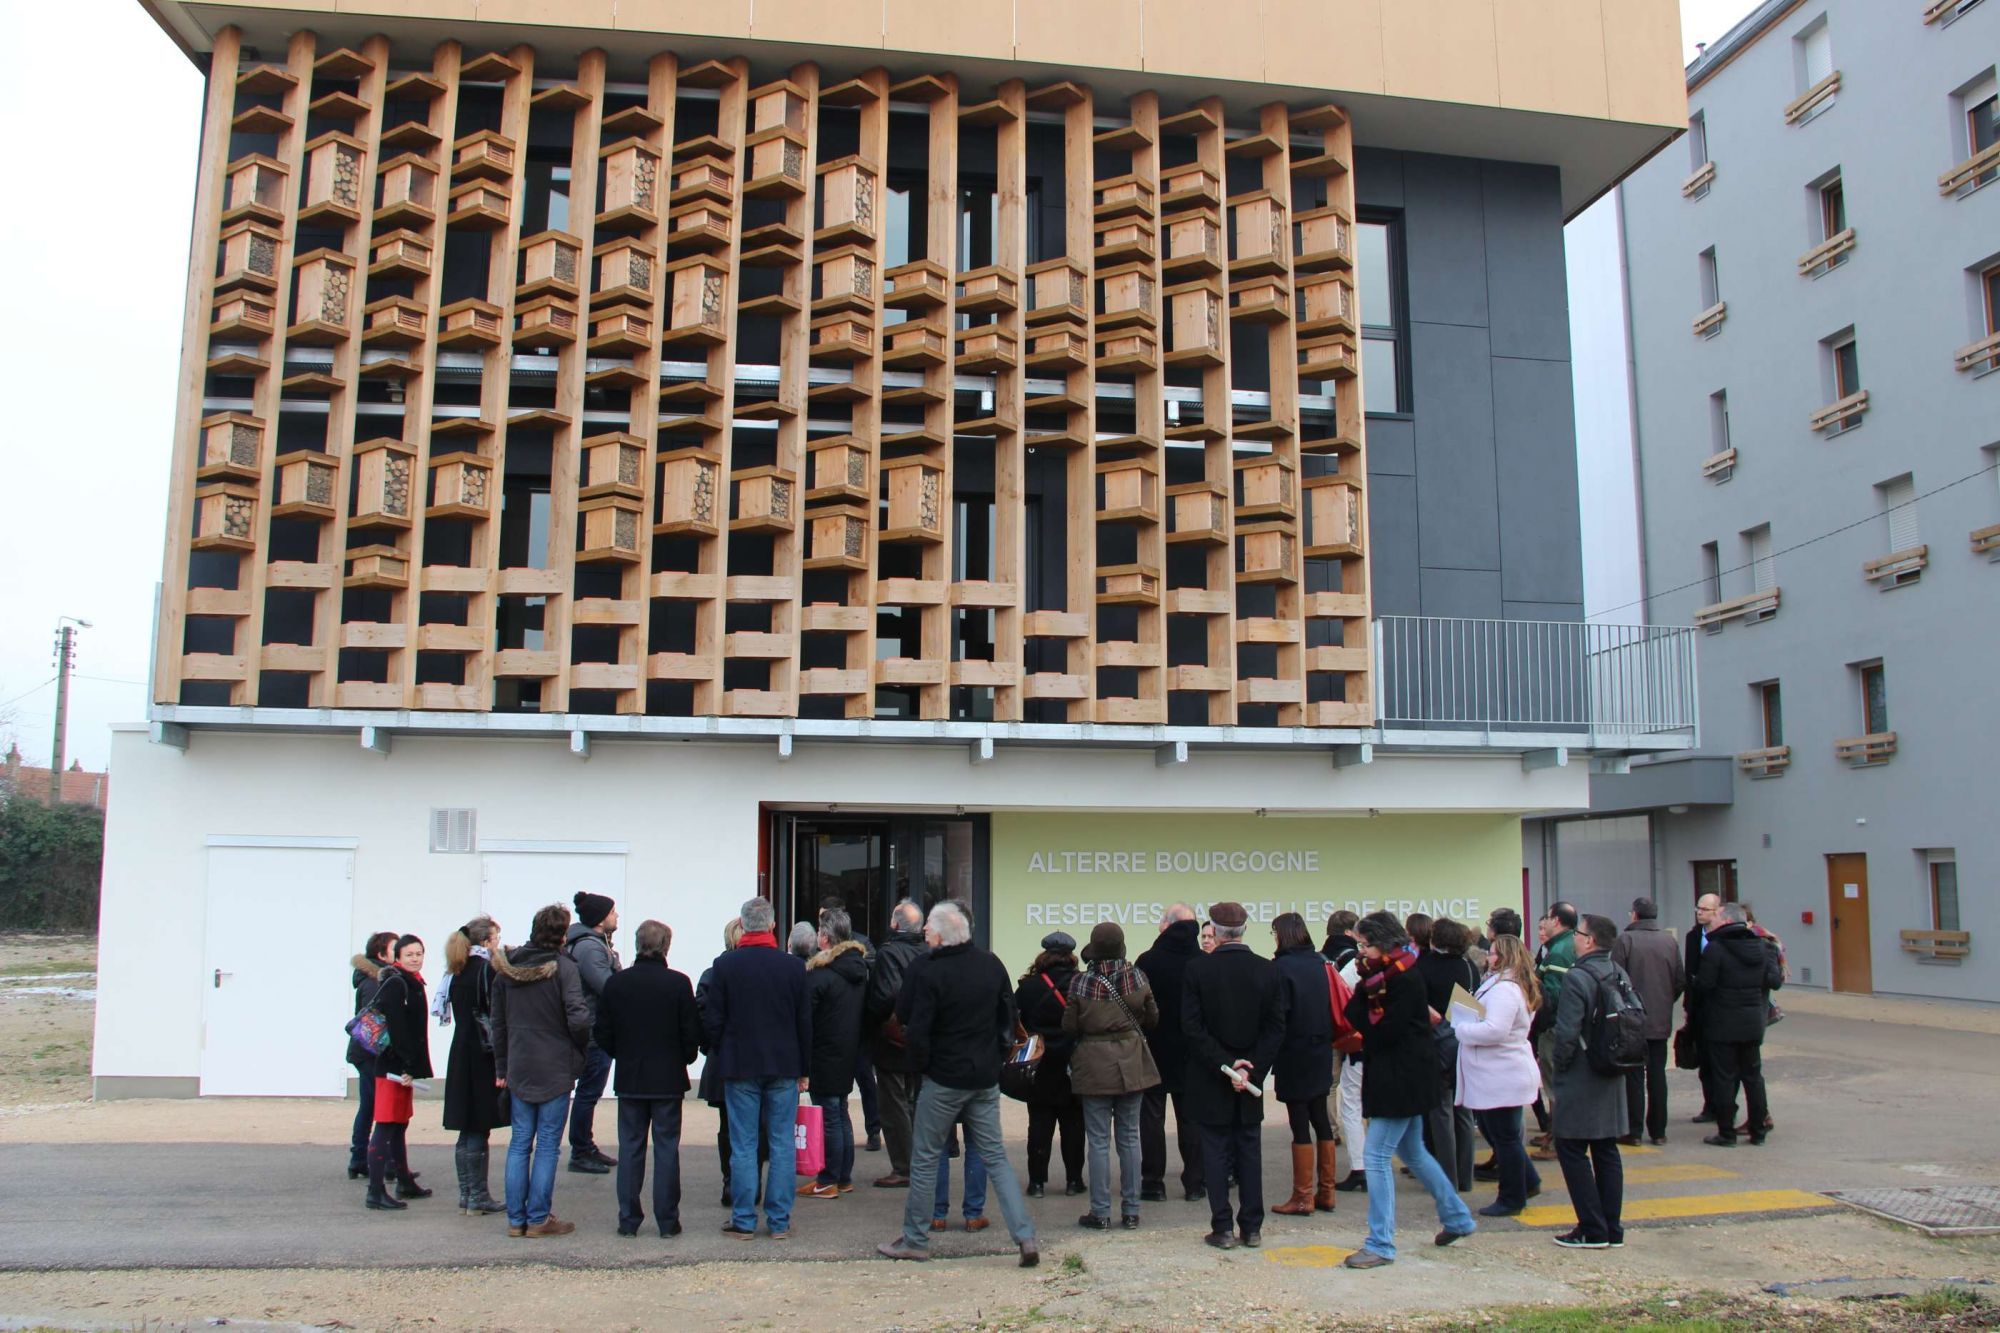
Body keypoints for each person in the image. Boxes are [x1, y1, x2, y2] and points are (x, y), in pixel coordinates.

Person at [876, 902, 1039, 1267]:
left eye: (929, 929)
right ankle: (1025, 1236)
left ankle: (915, 1239)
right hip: (984, 1077)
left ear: (939, 935)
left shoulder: (926, 970)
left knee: (925, 1157)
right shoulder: (991, 965)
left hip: (943, 1077)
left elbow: (909, 1020)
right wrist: (996, 1058)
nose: (925, 933)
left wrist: (920, 1066)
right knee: (995, 1156)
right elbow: (1008, 1017)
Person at [1339, 913, 1476, 1269]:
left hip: (1399, 1079)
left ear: (1383, 945)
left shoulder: (1402, 979)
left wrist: (1362, 1006)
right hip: (1406, 1076)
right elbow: (1359, 1014)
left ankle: (1380, 1243)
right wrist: (1363, 997)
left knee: (1376, 1157)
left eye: (1365, 945)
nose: (1361, 952)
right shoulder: (1387, 976)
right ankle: (1457, 1217)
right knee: (1413, 1152)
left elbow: (1381, 1031)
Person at [705, 896, 811, 1240]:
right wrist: (804, 1067)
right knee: (781, 1144)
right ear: (772, 926)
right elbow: (804, 1022)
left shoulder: (725, 966)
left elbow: (714, 1019)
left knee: (744, 1145)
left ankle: (744, 1219)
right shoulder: (792, 967)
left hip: (740, 1064)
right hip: (783, 1063)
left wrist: (721, 1051)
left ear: (742, 925)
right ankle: (779, 1221)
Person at [1182, 901, 1285, 1250]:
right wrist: (1251, 1067)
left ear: (1214, 930)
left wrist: (1226, 1065)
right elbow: (1276, 1027)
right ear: (1244, 930)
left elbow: (1192, 1027)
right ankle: (1252, 1228)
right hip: (1249, 1080)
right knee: (1249, 1150)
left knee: (1214, 1151)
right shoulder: (1267, 970)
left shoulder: (1198, 970)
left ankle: (1223, 1228)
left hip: (1212, 1075)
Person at [594, 918, 701, 1237]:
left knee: (630, 1148)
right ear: (665, 946)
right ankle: (667, 1221)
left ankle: (628, 1219)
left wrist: (622, 1054)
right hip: (667, 1077)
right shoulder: (678, 983)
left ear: (638, 945)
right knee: (666, 1149)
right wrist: (683, 1058)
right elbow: (690, 1033)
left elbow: (602, 1031)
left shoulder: (617, 984)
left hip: (631, 1076)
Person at [491, 903, 591, 1238]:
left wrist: (502, 1065)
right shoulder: (564, 968)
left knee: (520, 1142)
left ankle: (516, 1219)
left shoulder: (507, 969)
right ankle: (537, 1217)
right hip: (555, 1063)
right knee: (547, 1144)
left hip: (520, 1062)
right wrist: (579, 1047)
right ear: (562, 934)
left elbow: (497, 1023)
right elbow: (578, 1017)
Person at [1063, 922, 1160, 1230]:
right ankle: (1131, 1211)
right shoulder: (1137, 977)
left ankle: (1100, 1212)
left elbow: (1069, 1025)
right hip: (1131, 1061)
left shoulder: (1081, 982)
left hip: (1093, 1064)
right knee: (1130, 1138)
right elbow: (1152, 1017)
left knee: (1098, 1141)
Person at [1549, 913, 1630, 1249]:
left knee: (1570, 1147)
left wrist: (1559, 1067)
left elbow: (1567, 1032)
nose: (1574, 939)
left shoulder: (1577, 977)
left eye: (1578, 934)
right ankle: (1612, 1227)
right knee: (1606, 1148)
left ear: (1589, 941)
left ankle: (1591, 1228)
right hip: (1612, 1066)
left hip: (1582, 1072)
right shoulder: (1618, 971)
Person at [1453, 934, 1543, 1217]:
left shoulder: (1505, 989)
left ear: (1503, 957)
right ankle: (1528, 1181)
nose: (1487, 957)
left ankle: (1512, 1197)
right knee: (1500, 1133)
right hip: (1497, 1073)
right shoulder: (1503, 984)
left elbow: (1496, 1029)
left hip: (1502, 1074)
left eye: (1492, 953)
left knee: (1505, 1137)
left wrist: (1462, 1030)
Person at [1694, 902, 1782, 1148]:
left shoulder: (1716, 949)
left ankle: (1726, 1133)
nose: (1713, 920)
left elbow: (1704, 986)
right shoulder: (1763, 947)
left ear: (1727, 921)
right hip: (1752, 1021)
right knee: (1753, 1077)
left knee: (1724, 1077)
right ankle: (1758, 1131)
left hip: (1722, 1023)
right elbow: (1773, 980)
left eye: (1717, 916)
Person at [1268, 911, 1337, 1217]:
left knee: (1299, 1122)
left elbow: (1279, 1016)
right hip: (1321, 1048)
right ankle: (1327, 1191)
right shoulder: (1320, 962)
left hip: (1294, 1052)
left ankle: (1302, 1195)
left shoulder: (1281, 968)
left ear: (1281, 935)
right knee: (1320, 1116)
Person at [1136, 904, 1204, 1203]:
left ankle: (1153, 1183)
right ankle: (1195, 1183)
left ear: (1167, 925)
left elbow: (1139, 1006)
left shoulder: (1148, 960)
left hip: (1155, 1047)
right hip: (1192, 1051)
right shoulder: (1202, 961)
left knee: (1151, 1117)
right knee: (1191, 1119)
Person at [696, 918, 766, 1205]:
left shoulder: (713, 973)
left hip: (723, 1058)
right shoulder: (761, 971)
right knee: (755, 1126)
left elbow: (704, 1017)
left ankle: (732, 1181)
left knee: (728, 1126)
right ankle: (751, 1182)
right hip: (755, 1058)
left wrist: (712, 1046)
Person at [440, 917, 506, 1215]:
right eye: (496, 937)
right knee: (479, 1124)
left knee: (467, 1126)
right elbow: (495, 1012)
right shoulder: (486, 970)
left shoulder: (457, 970)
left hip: (462, 1050)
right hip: (483, 1052)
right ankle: (478, 1195)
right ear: (486, 941)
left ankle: (468, 1193)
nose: (498, 942)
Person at [802, 908, 869, 1200]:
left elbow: (806, 1019)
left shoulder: (821, 975)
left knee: (830, 1116)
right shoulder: (858, 970)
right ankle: (842, 1177)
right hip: (848, 1051)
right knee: (840, 1114)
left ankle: (828, 1178)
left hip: (824, 1053)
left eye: (819, 931)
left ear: (826, 938)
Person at [364, 934, 434, 1211]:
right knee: (386, 1125)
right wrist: (406, 1065)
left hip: (403, 1067)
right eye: (409, 955)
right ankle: (375, 1191)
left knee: (399, 1124)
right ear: (398, 957)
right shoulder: (397, 983)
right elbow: (396, 1028)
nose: (415, 959)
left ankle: (404, 1180)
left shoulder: (411, 981)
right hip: (392, 1068)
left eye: (419, 954)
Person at [1014, 931, 1086, 1199]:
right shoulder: (1081, 983)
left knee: (1039, 1124)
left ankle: (1036, 1183)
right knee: (1074, 1124)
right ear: (1071, 956)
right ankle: (1074, 1180)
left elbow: (1016, 1022)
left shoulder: (1029, 986)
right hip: (1073, 1063)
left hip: (1040, 1064)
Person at [1610, 896, 1684, 1146]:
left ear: (1635, 915)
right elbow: (1679, 980)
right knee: (1657, 1075)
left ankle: (1633, 1131)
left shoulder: (1626, 940)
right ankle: (1659, 1130)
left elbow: (1615, 980)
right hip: (1660, 1019)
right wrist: (1665, 1001)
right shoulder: (1669, 941)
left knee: (1633, 1075)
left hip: (1631, 1019)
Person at [864, 899, 928, 1188]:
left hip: (894, 1040)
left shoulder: (889, 953)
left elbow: (885, 996)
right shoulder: (928, 951)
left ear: (894, 924)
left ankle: (904, 1167)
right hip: (921, 1038)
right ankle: (919, 1164)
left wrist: (872, 1017)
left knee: (894, 1104)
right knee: (915, 1101)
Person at [1416, 917, 1481, 1191]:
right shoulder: (1468, 966)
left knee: (1441, 1113)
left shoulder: (1424, 966)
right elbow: (1472, 1007)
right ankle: (1465, 1177)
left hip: (1435, 1045)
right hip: (1463, 1042)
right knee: (1463, 1111)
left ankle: (1446, 1179)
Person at [564, 891, 622, 1175]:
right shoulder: (590, 948)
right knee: (588, 1092)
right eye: (612, 912)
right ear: (600, 919)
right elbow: (608, 987)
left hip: (593, 1026)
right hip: (593, 1029)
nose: (616, 916)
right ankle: (581, 1150)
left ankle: (585, 1146)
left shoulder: (595, 944)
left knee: (589, 1092)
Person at [821, 895, 883, 1154]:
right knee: (851, 1083)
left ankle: (873, 1130)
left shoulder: (861, 944)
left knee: (864, 1078)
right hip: (850, 1023)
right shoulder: (853, 945)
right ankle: (864, 1130)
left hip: (856, 1024)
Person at [346, 931, 397, 1180]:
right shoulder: (375, 982)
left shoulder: (376, 979)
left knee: (369, 1105)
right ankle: (375, 1161)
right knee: (375, 1106)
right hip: (369, 1053)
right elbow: (373, 1020)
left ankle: (360, 1160)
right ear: (381, 954)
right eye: (395, 949)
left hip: (366, 1052)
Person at [1324, 911, 1369, 1193]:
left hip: (1358, 1044)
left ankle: (1360, 1167)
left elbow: (1338, 999)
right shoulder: (1402, 967)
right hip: (1386, 1049)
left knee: (1351, 1103)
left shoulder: (1355, 967)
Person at [1530, 902, 1578, 1158]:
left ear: (1557, 921)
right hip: (1560, 1025)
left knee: (1553, 1083)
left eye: (1547, 919)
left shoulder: (1559, 952)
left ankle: (1558, 1138)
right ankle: (1553, 1132)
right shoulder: (1562, 945)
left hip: (1553, 1028)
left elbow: (1553, 996)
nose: (1544, 923)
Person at [1683, 892, 1723, 1124]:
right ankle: (1710, 1105)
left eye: (1705, 909)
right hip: (1699, 1007)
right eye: (1698, 908)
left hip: (1721, 1007)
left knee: (1722, 1062)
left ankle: (1724, 1106)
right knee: (1704, 1059)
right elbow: (1689, 972)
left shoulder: (1723, 937)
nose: (1699, 912)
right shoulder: (1693, 936)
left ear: (1717, 911)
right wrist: (1688, 1006)